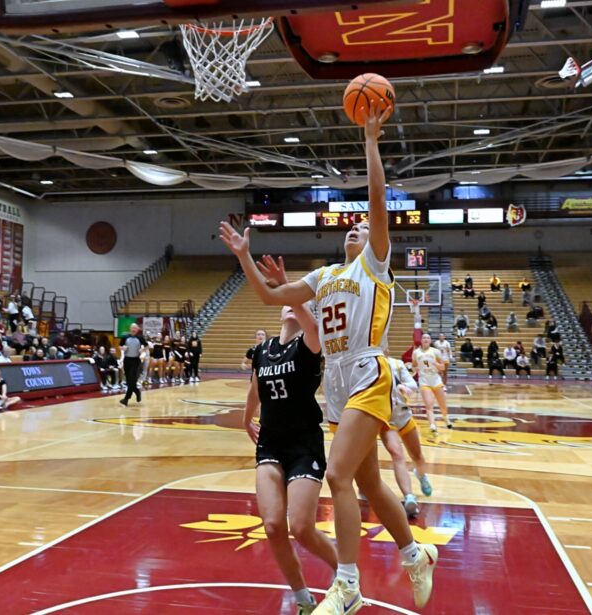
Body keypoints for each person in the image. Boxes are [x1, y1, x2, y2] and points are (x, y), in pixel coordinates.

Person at [220, 101, 436, 614]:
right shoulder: (322, 278)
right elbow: (273, 298)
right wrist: (245, 258)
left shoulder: (374, 267)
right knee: (366, 481)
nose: (356, 230)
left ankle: (347, 583)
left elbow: (379, 205)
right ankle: (414, 553)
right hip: (336, 384)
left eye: (362, 228)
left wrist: (371, 144)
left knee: (337, 477)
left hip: (368, 369)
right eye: (351, 228)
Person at [244, 298, 337, 615]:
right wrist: (246, 419)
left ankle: (348, 573)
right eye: (289, 303)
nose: (292, 306)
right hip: (270, 442)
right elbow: (256, 389)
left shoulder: (309, 345)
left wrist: (300, 300)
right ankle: (304, 600)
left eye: (300, 304)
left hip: (304, 443)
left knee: (301, 526)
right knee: (272, 525)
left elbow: (311, 326)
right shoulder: (263, 350)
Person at [383, 350, 433, 519]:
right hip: (385, 418)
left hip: (403, 415)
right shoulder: (369, 365)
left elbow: (413, 384)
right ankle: (409, 497)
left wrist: (406, 387)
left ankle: (421, 474)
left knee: (417, 456)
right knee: (397, 455)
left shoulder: (397, 364)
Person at [414, 333, 451, 432]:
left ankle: (445, 417)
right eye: (424, 337)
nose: (426, 339)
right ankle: (432, 425)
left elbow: (442, 368)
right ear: (421, 340)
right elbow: (413, 366)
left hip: (435, 379)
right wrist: (415, 369)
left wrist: (435, 364)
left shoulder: (436, 352)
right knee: (428, 405)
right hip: (424, 381)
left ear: (430, 341)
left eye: (428, 338)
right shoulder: (416, 352)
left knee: (442, 404)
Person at [120, 323, 145, 406]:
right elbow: (120, 346)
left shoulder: (140, 337)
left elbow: (147, 346)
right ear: (130, 329)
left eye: (135, 328)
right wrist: (122, 348)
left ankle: (126, 399)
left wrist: (142, 350)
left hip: (136, 361)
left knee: (132, 379)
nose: (133, 329)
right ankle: (137, 392)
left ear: (137, 329)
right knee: (129, 381)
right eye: (132, 328)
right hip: (127, 360)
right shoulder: (125, 337)